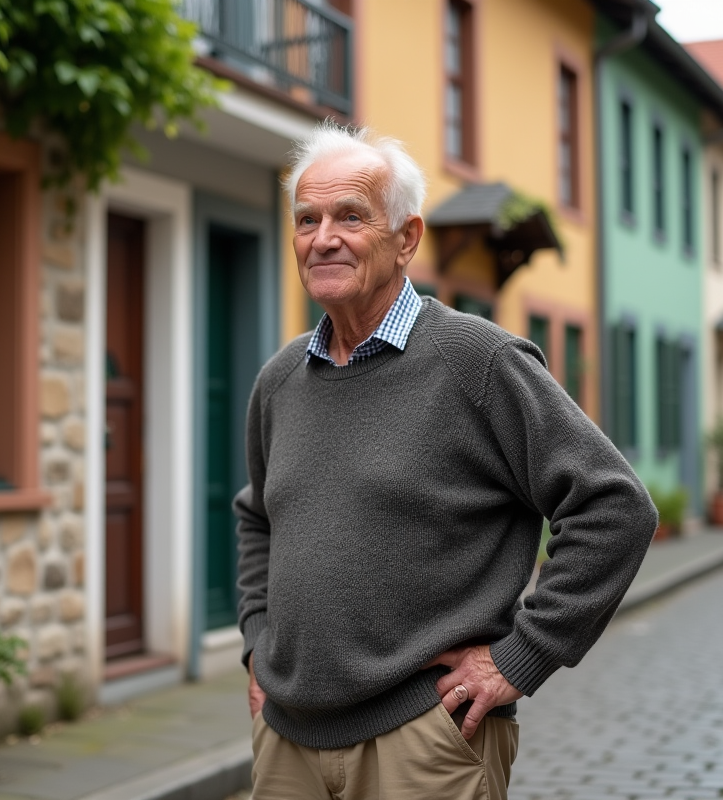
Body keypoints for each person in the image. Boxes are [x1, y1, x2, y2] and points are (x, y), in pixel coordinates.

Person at [234, 121, 658, 800]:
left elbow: (616, 507)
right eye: (307, 219)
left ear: (406, 238)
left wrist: (520, 657)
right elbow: (257, 519)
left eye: (350, 215)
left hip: (423, 740)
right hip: (287, 743)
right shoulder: (280, 379)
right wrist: (257, 642)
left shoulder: (479, 363)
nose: (323, 238)